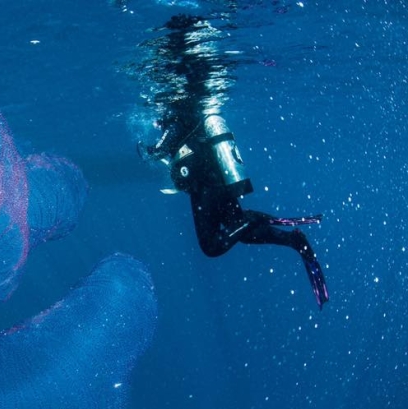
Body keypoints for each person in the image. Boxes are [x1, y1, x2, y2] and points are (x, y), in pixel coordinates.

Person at [135, 14, 329, 309]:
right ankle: (293, 240)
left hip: (206, 181)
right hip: (216, 175)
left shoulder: (177, 94)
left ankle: (256, 218)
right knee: (238, 230)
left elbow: (170, 136)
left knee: (212, 246)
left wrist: (152, 151)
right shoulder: (188, 86)